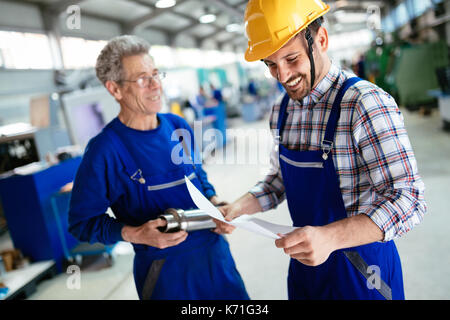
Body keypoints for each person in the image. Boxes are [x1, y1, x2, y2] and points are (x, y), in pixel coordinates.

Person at [219, 0, 426, 300]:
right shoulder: (282, 109)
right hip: (307, 270)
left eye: (291, 59)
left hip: (363, 274)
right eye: (271, 64)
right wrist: (238, 208)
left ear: (321, 40)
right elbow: (280, 180)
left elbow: (409, 198)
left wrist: (329, 237)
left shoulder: (364, 104)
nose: (282, 76)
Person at [68, 35, 249, 300]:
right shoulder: (104, 150)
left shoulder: (177, 126)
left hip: (216, 260)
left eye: (156, 74)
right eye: (142, 78)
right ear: (115, 89)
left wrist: (216, 202)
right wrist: (134, 233)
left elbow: (198, 177)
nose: (155, 86)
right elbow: (82, 222)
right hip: (165, 274)